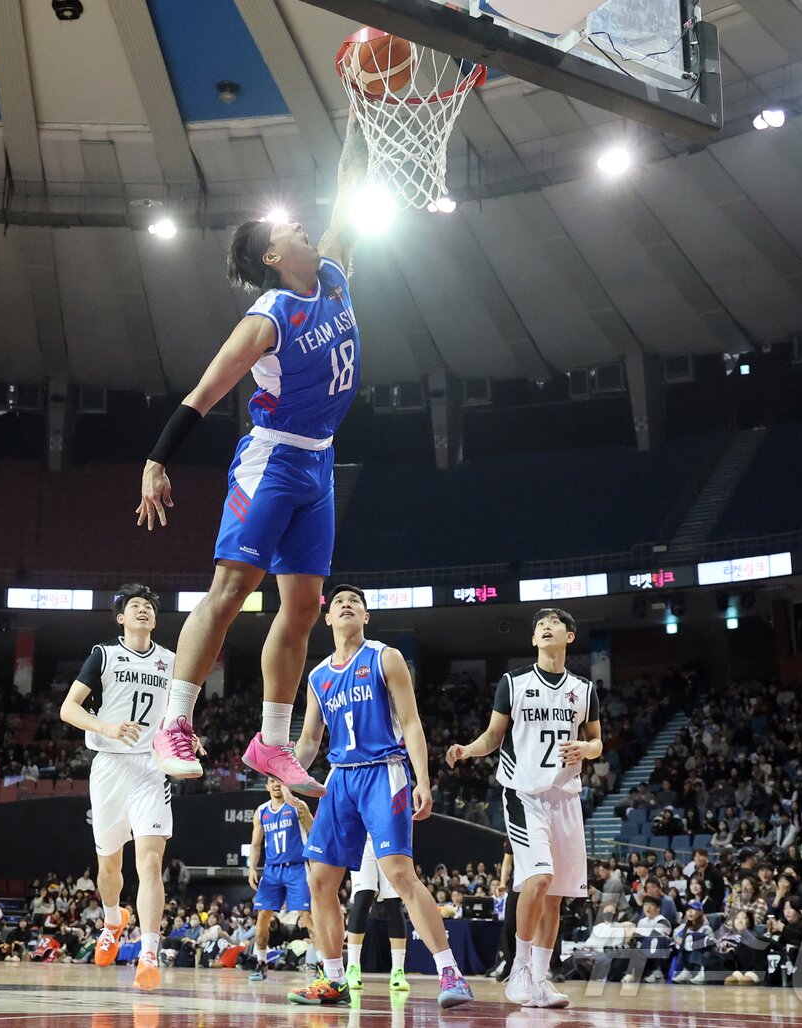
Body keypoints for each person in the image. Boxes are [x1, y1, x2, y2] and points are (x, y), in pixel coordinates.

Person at [135, 110, 371, 797]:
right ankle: (174, 722)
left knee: (303, 609)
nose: (300, 224)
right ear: (272, 257)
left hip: (320, 463)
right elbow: (205, 393)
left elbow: (350, 187)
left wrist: (362, 112)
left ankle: (271, 743)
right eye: (286, 227)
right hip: (272, 460)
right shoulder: (268, 317)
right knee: (232, 591)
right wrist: (156, 461)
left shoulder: (334, 272)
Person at [287, 585, 473, 1009]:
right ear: (327, 618)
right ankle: (333, 978)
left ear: (366, 616)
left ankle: (451, 972)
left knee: (399, 874)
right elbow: (310, 741)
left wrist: (422, 780)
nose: (346, 605)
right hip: (340, 777)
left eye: (355, 602)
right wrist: (285, 767)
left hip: (383, 772)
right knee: (319, 879)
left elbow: (411, 722)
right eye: (338, 602)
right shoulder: (318, 676)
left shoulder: (385, 657)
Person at [446, 608, 602, 1009]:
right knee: (539, 878)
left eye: (555, 624)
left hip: (565, 796)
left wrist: (585, 748)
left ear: (569, 636)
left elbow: (597, 742)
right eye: (540, 626)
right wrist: (468, 750)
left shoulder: (584, 689)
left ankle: (541, 979)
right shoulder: (513, 683)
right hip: (523, 794)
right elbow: (493, 736)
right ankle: (519, 968)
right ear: (534, 639)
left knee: (555, 895)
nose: (546, 627)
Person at [58, 584, 173, 993]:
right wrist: (106, 727)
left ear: (155, 619)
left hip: (150, 768)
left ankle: (149, 952)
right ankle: (113, 919)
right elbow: (68, 708)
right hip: (109, 764)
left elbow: (177, 715)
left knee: (151, 863)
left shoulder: (170, 661)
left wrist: (185, 735)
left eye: (148, 607)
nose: (143, 610)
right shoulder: (103, 655)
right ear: (121, 618)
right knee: (109, 867)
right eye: (135, 606)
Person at [247, 777, 316, 982]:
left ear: (287, 785)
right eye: (272, 781)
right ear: (267, 786)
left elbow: (313, 832)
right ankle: (261, 963)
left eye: (279, 781)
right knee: (262, 918)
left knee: (307, 917)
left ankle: (322, 965)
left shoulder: (297, 806)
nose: (276, 784)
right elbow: (256, 845)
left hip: (297, 868)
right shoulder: (261, 811)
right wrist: (252, 868)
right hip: (271, 870)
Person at [344, 834, 411, 992]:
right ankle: (353, 967)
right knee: (363, 896)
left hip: (390, 840)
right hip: (362, 840)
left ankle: (398, 971)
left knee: (393, 902)